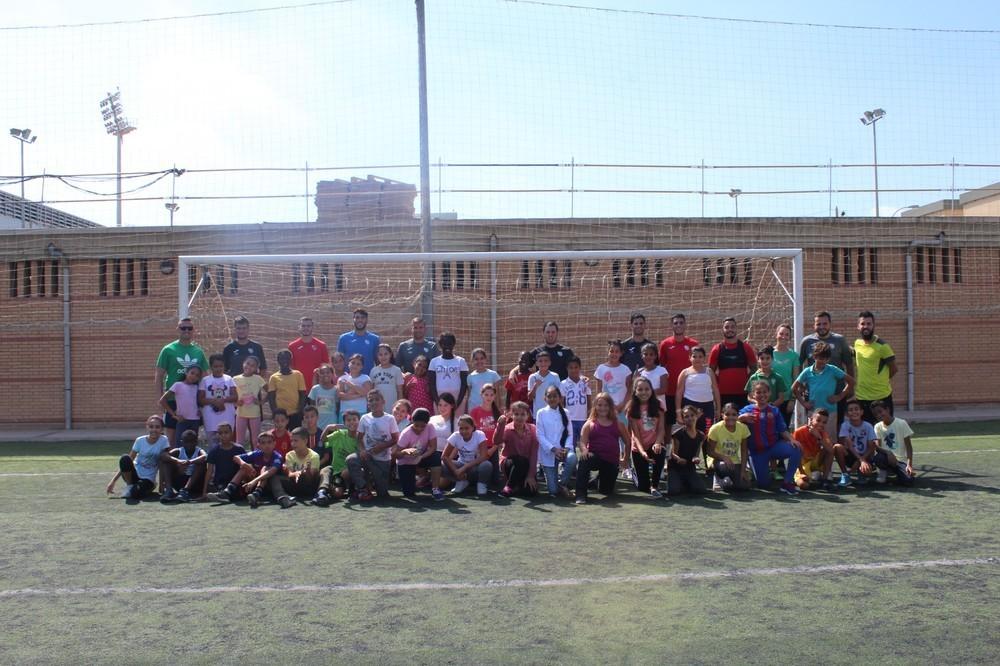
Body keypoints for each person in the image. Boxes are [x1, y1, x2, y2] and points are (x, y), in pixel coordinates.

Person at [739, 381, 802, 494]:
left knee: (796, 448)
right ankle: (752, 469)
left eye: (765, 392)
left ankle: (787, 482)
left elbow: (782, 430)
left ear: (769, 393)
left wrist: (792, 440)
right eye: (758, 392)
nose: (762, 395)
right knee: (763, 485)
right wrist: (741, 418)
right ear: (753, 394)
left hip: (773, 447)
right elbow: (731, 423)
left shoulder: (774, 410)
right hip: (757, 452)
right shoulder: (747, 410)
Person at [154, 317, 208, 446]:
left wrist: (202, 402)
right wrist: (160, 398)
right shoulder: (168, 349)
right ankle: (172, 459)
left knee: (191, 438)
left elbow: (205, 378)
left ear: (193, 330)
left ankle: (190, 459)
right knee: (172, 439)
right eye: (183, 328)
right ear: (178, 329)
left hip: (192, 401)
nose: (186, 330)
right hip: (173, 400)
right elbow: (159, 375)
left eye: (190, 328)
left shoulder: (198, 352)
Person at [208, 431, 293, 508]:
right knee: (244, 468)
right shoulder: (257, 453)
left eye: (269, 442)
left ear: (274, 444)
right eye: (263, 443)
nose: (267, 445)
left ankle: (257, 494)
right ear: (259, 445)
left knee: (265, 469)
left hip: (270, 486)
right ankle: (227, 492)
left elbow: (272, 471)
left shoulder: (277, 456)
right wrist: (243, 464)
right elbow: (235, 457)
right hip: (253, 484)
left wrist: (254, 481)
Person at [791, 342, 855, 443]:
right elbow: (794, 388)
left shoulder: (832, 369)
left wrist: (839, 396)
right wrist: (804, 403)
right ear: (814, 356)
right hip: (814, 412)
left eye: (826, 359)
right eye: (820, 358)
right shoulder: (807, 371)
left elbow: (851, 382)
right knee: (813, 440)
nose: (823, 361)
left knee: (829, 441)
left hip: (830, 412)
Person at [798, 311, 854, 427]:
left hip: (835, 394)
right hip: (814, 394)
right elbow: (798, 364)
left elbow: (849, 364)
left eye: (825, 324)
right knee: (813, 427)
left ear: (830, 324)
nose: (822, 327)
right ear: (814, 325)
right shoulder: (806, 341)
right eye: (818, 324)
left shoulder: (840, 340)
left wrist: (848, 391)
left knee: (835, 426)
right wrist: (801, 385)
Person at [574, 392, 629, 505]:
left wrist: (625, 459)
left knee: (606, 491)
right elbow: (582, 442)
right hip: (595, 457)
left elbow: (628, 442)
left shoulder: (618, 424)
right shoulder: (589, 424)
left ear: (610, 407)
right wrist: (585, 450)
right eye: (599, 405)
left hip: (611, 461)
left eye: (606, 405)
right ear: (595, 406)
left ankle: (595, 482)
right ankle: (580, 494)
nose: (602, 408)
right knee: (584, 459)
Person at [346, 389, 399, 500]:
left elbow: (395, 439)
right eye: (371, 400)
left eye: (377, 399)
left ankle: (374, 485)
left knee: (382, 495)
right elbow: (359, 439)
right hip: (368, 456)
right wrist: (362, 450)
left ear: (383, 402)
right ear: (368, 404)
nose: (374, 402)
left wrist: (382, 446)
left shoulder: (390, 419)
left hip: (383, 459)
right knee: (351, 459)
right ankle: (363, 488)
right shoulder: (364, 418)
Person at [106, 415, 172, 501]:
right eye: (151, 426)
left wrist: (161, 484)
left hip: (148, 479)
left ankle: (141, 488)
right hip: (133, 475)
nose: (154, 429)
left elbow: (163, 462)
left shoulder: (164, 440)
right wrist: (113, 482)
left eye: (157, 427)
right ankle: (129, 486)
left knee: (135, 493)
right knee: (125, 458)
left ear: (162, 429)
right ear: (147, 427)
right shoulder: (140, 440)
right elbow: (129, 459)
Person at [853, 311, 898, 423]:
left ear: (873, 326)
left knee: (885, 430)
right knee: (866, 431)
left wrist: (880, 381)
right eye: (863, 324)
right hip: (862, 397)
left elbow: (894, 369)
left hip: (881, 397)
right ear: (858, 326)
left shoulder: (883, 346)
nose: (866, 326)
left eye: (869, 324)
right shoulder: (857, 344)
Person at [627, 377, 666, 499]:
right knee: (643, 487)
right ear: (635, 392)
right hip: (639, 448)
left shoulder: (659, 405)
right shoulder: (632, 409)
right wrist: (642, 452)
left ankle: (655, 485)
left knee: (661, 451)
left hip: (653, 444)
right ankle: (634, 473)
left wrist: (658, 443)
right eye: (640, 389)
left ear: (651, 390)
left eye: (647, 389)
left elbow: (661, 429)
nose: (644, 392)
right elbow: (636, 435)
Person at [658, 313, 699, 428]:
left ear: (685, 325)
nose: (678, 325)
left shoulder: (693, 344)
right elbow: (661, 366)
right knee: (668, 424)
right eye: (676, 323)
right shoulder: (665, 344)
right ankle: (667, 441)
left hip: (689, 392)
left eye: (681, 322)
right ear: (672, 325)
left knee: (691, 424)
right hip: (670, 391)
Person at [313, 409, 362, 505]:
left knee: (348, 471)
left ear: (359, 421)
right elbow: (322, 440)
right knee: (337, 494)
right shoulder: (339, 434)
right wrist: (328, 428)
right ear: (344, 423)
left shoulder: (361, 437)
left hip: (353, 472)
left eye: (354, 419)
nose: (352, 422)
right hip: (337, 471)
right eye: (348, 420)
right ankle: (328, 489)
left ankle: (354, 489)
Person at [535, 385, 576, 499]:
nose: (552, 399)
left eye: (555, 396)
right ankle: (559, 486)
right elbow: (540, 435)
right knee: (553, 491)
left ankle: (562, 484)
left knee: (572, 458)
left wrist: (566, 449)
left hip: (563, 450)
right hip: (549, 452)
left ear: (560, 398)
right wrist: (553, 449)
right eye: (549, 396)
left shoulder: (566, 412)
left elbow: (570, 433)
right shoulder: (541, 413)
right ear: (545, 398)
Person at [391, 407, 440, 499]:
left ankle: (435, 489)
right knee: (409, 493)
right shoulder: (406, 433)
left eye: (423, 426)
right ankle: (422, 477)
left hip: (420, 457)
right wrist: (405, 451)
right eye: (416, 425)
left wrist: (421, 457)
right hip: (406, 462)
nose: (419, 428)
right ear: (412, 421)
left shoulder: (430, 427)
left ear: (427, 423)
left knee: (436, 456)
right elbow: (395, 454)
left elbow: (433, 447)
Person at [709, 317, 757, 409]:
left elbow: (754, 369)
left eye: (732, 327)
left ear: (736, 329)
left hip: (743, 393)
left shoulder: (746, 347)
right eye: (727, 327)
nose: (730, 329)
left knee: (743, 417)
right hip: (723, 394)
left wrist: (749, 385)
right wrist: (718, 383)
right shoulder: (717, 349)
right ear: (722, 330)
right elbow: (711, 371)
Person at [495, 401, 540, 498]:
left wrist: (530, 475)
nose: (519, 417)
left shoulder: (533, 429)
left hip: (525, 465)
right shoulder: (507, 429)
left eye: (523, 414)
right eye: (516, 414)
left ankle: (516, 486)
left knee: (530, 492)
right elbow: (496, 441)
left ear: (527, 416)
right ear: (512, 415)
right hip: (509, 463)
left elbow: (534, 453)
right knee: (520, 461)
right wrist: (500, 426)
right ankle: (509, 486)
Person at [442, 415, 493, 497]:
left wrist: (465, 467)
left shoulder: (480, 434)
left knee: (487, 465)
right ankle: (461, 481)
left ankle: (481, 484)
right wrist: (456, 471)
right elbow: (444, 456)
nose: (464, 431)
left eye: (467, 428)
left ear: (473, 427)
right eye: (461, 428)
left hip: (475, 467)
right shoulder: (455, 436)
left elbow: (483, 456)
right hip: (460, 465)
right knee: (441, 465)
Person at [674, 346, 720, 435]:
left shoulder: (709, 372)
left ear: (704, 358)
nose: (697, 359)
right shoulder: (685, 373)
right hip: (690, 406)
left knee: (707, 432)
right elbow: (679, 393)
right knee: (691, 432)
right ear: (690, 358)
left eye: (700, 356)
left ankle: (705, 445)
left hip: (707, 407)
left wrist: (718, 409)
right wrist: (678, 412)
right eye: (694, 356)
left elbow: (715, 390)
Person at [705, 404, 751, 491]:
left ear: (738, 415)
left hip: (734, 461)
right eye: (727, 414)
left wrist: (743, 470)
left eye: (734, 414)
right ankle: (717, 477)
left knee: (744, 485)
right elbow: (710, 451)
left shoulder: (743, 428)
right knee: (724, 468)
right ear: (722, 415)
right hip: (718, 461)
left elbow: (744, 450)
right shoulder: (715, 429)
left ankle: (728, 480)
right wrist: (723, 457)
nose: (731, 417)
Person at [666, 405, 710, 497]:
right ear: (683, 419)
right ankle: (678, 481)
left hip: (689, 468)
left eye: (692, 415)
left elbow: (697, 454)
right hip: (675, 468)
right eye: (686, 416)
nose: (690, 418)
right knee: (674, 491)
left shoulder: (701, 435)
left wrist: (696, 458)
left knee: (701, 490)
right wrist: (679, 459)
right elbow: (673, 454)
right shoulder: (678, 434)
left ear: (696, 416)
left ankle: (686, 482)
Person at [835, 399, 880, 486]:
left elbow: (871, 447)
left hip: (865, 455)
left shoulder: (868, 426)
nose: (854, 412)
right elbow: (850, 446)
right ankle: (845, 474)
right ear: (846, 414)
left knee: (867, 472)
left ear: (862, 412)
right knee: (837, 447)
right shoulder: (845, 425)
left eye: (856, 409)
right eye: (850, 410)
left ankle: (861, 472)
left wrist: (862, 460)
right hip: (852, 455)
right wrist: (860, 460)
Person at [791, 409, 837, 491]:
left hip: (815, 461)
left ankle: (824, 479)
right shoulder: (799, 432)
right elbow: (794, 452)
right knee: (803, 485)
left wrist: (819, 438)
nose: (821, 424)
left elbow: (831, 450)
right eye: (818, 420)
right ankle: (810, 477)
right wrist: (801, 471)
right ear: (811, 419)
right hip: (802, 463)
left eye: (824, 422)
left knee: (830, 448)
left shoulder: (822, 433)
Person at [872, 400, 916, 485]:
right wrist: (888, 453)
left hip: (900, 461)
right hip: (886, 458)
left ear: (887, 409)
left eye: (880, 412)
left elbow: (908, 446)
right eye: (875, 414)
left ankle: (897, 472)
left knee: (908, 481)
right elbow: (877, 447)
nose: (878, 415)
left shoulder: (902, 423)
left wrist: (909, 465)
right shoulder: (877, 426)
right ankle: (883, 471)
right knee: (878, 458)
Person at [158, 365, 203, 449]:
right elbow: (162, 400)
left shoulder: (196, 387)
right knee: (180, 444)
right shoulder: (178, 385)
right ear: (186, 372)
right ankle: (179, 458)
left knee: (193, 444)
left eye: (197, 375)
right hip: (182, 420)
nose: (194, 376)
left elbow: (197, 401)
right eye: (192, 373)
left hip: (195, 420)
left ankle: (192, 458)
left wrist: (200, 409)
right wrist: (174, 414)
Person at [198, 353, 237, 447]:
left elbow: (235, 396)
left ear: (224, 366)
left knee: (227, 442)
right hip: (210, 417)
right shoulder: (205, 380)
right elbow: (200, 399)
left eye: (221, 366)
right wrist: (214, 401)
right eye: (215, 366)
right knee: (213, 443)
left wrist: (223, 400)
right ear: (211, 367)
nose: (218, 369)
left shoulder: (229, 379)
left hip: (227, 415)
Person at [428, 332, 469, 410]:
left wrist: (458, 403)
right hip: (439, 399)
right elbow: (432, 384)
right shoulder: (434, 362)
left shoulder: (461, 361)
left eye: (450, 344)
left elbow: (464, 384)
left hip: (457, 399)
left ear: (454, 344)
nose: (447, 346)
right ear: (440, 345)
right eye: (444, 344)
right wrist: (438, 402)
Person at [163, 429, 207, 502]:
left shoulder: (199, 451)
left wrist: (190, 462)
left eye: (192, 441)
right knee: (167, 462)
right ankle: (169, 490)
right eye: (186, 442)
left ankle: (185, 491)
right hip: (180, 482)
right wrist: (178, 461)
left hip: (195, 483)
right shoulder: (178, 451)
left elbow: (205, 456)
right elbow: (163, 455)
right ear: (182, 442)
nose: (189, 444)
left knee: (201, 464)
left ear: (196, 442)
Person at [234, 356, 268, 450]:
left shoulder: (258, 379)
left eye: (253, 366)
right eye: (248, 363)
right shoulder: (235, 379)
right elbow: (231, 394)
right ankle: (239, 457)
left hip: (254, 414)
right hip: (240, 413)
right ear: (243, 363)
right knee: (239, 440)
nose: (249, 367)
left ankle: (257, 457)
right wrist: (236, 402)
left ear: (256, 368)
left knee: (256, 440)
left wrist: (261, 402)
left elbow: (270, 391)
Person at [203, 422, 245, 497]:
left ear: (231, 433)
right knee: (221, 490)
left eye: (226, 432)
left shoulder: (239, 449)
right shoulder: (214, 451)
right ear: (218, 435)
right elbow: (209, 471)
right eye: (220, 433)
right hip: (220, 483)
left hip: (236, 483)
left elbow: (245, 467)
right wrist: (204, 492)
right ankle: (223, 495)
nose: (223, 435)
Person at [268, 350, 307, 430]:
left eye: (287, 358)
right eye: (282, 359)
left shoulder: (298, 375)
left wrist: (300, 411)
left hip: (295, 413)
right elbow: (271, 397)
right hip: (281, 415)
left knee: (295, 435)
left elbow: (303, 394)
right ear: (278, 361)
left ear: (290, 360)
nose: (284, 361)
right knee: (281, 435)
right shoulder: (273, 377)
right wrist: (275, 412)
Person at [288, 316, 330, 391]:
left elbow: (326, 367)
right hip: (299, 388)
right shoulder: (292, 346)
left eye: (308, 326)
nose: (306, 328)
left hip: (318, 387)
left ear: (312, 327)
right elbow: (291, 368)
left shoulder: (321, 345)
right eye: (303, 326)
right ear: (299, 327)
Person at [279, 427, 321, 502]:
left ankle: (321, 494)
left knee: (326, 469)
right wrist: (295, 474)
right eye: (291, 441)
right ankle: (283, 497)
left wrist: (306, 472)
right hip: (294, 487)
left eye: (296, 441)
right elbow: (289, 474)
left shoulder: (314, 456)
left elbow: (311, 479)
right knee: (275, 478)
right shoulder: (289, 455)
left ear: (305, 441)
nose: (293, 444)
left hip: (309, 488)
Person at [593, 340, 632, 419]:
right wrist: (604, 406)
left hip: (621, 410)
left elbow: (629, 390)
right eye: (611, 351)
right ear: (608, 352)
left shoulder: (626, 370)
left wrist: (623, 405)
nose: (614, 354)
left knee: (622, 426)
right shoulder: (601, 369)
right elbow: (599, 391)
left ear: (621, 353)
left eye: (617, 351)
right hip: (605, 409)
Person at [743, 346, 788, 411]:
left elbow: (781, 398)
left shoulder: (778, 378)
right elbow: (749, 397)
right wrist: (758, 404)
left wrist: (770, 406)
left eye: (768, 358)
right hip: (757, 411)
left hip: (772, 412)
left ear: (772, 359)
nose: (765, 361)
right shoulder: (754, 377)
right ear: (758, 360)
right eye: (762, 358)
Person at [337, 308, 380, 375]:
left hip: (368, 378)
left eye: (362, 318)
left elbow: (378, 361)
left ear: (367, 320)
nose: (360, 320)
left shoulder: (374, 339)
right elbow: (339, 362)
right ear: (353, 319)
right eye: (357, 317)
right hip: (348, 379)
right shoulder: (343, 339)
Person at [772, 324, 800, 426]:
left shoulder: (794, 356)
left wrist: (793, 400)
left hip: (786, 399)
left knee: (783, 429)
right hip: (770, 398)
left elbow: (796, 379)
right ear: (776, 334)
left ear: (790, 337)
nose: (783, 336)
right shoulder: (769, 353)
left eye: (787, 334)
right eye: (781, 333)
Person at [559, 356, 591, 443]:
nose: (573, 370)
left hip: (583, 419)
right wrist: (563, 418)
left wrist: (589, 415)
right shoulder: (563, 384)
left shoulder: (585, 382)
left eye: (576, 367)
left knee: (584, 443)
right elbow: (561, 403)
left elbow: (589, 400)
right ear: (567, 368)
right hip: (570, 419)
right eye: (571, 368)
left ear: (580, 368)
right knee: (570, 444)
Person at [336, 353, 372, 419]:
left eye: (358, 364)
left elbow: (367, 393)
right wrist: (358, 395)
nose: (355, 365)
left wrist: (351, 385)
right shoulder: (342, 378)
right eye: (353, 363)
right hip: (344, 412)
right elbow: (340, 396)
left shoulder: (365, 378)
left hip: (360, 411)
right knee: (343, 427)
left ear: (362, 367)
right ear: (348, 364)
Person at [465, 348, 502, 413]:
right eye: (476, 359)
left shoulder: (493, 374)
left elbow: (497, 395)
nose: (479, 361)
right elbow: (468, 395)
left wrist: (499, 408)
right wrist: (466, 410)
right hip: (473, 408)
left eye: (482, 358)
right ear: (472, 360)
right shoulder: (470, 377)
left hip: (489, 408)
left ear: (486, 359)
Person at [528, 350, 562, 419]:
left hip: (553, 413)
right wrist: (535, 386)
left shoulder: (555, 376)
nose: (543, 363)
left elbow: (559, 396)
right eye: (540, 361)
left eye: (546, 361)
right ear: (536, 363)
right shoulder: (532, 377)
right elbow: (530, 398)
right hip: (538, 414)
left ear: (550, 363)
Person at [634, 343, 669, 410]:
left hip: (658, 407)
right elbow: (634, 391)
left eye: (651, 354)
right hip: (642, 408)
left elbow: (663, 389)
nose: (648, 357)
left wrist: (646, 393)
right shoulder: (638, 372)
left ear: (655, 356)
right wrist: (635, 379)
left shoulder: (661, 370)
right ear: (641, 356)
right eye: (645, 354)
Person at [307, 364, 340, 432]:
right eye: (322, 373)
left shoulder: (336, 390)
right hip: (318, 425)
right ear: (319, 375)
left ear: (332, 374)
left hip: (332, 424)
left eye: (328, 372)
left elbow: (337, 408)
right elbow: (312, 407)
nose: (325, 374)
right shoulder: (315, 389)